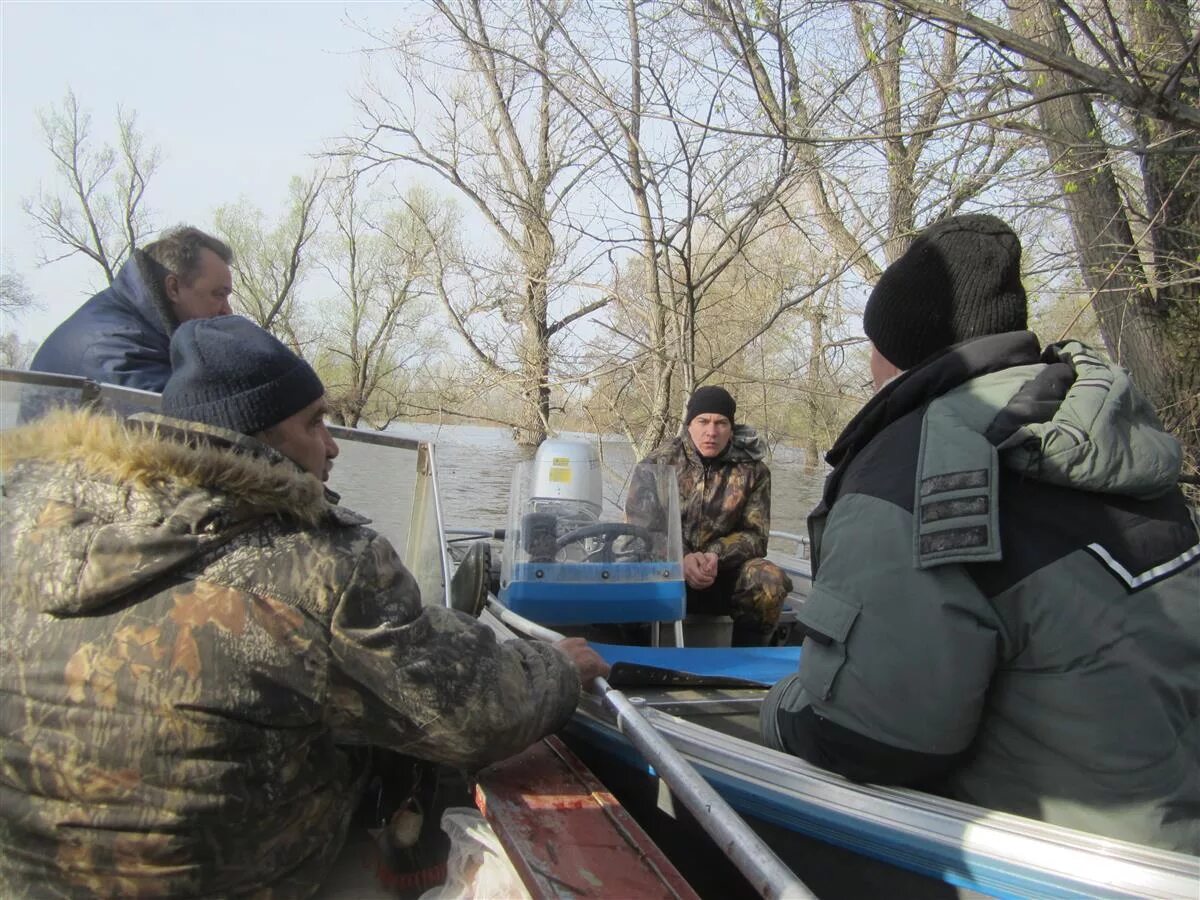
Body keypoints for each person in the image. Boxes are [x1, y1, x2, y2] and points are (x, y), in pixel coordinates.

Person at [0, 314, 608, 895]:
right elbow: (474, 715)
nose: (333, 447)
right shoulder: (324, 563)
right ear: (257, 436)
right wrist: (557, 667)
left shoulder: (30, 527)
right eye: (315, 424)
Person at [760, 214, 1199, 854]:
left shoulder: (905, 469)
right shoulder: (1109, 433)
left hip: (1055, 865)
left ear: (895, 347)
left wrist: (776, 709)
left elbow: (874, 738)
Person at [627, 385, 793, 646]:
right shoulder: (655, 464)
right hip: (668, 571)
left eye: (721, 423)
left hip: (723, 574)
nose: (711, 432)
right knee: (621, 574)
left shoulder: (754, 471)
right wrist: (681, 558)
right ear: (689, 424)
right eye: (703, 421)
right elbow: (640, 531)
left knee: (770, 578)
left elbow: (755, 536)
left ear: (731, 428)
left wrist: (714, 555)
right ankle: (637, 650)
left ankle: (745, 658)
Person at [29, 225, 235, 390]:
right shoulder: (119, 352)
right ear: (173, 288)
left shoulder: (135, 331)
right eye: (218, 295)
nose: (227, 311)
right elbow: (195, 430)